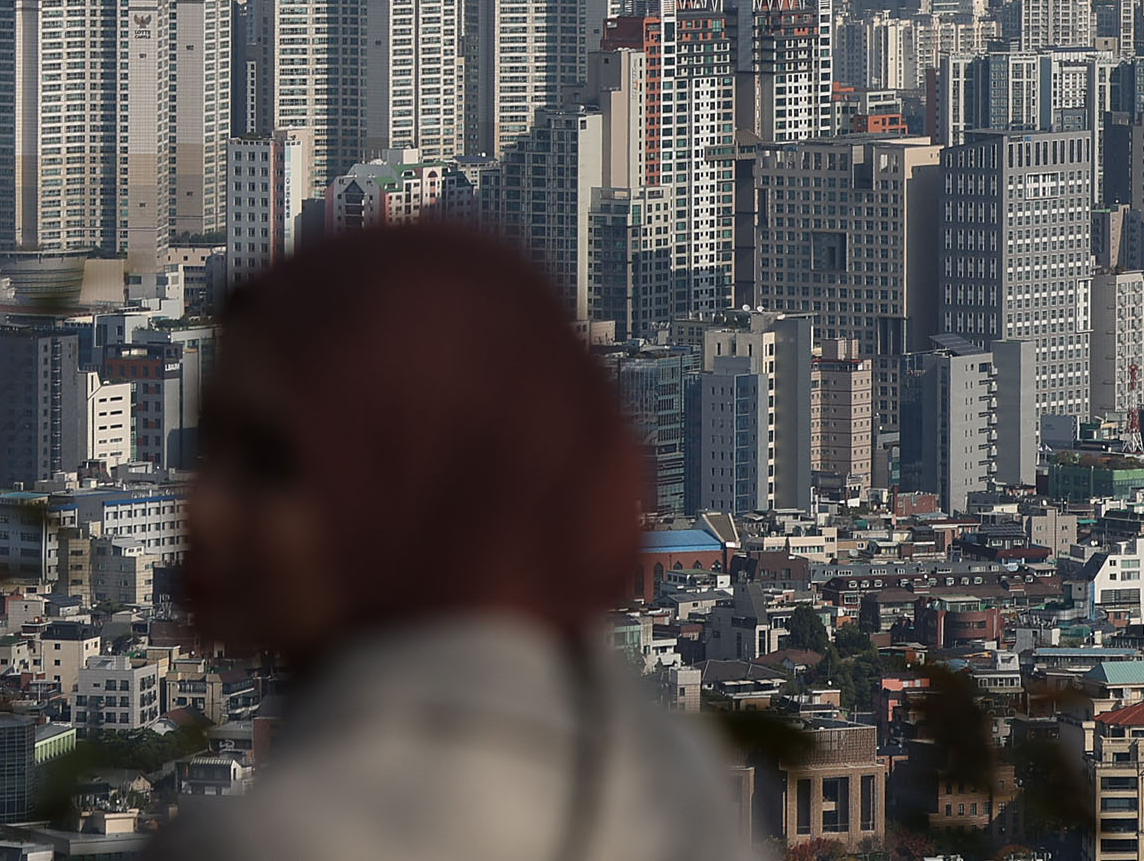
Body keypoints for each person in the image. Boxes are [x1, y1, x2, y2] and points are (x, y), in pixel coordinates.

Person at [150, 223, 754, 861]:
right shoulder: (667, 780)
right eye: (209, 449)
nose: (204, 509)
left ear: (426, 484)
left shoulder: (272, 840)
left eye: (272, 465)